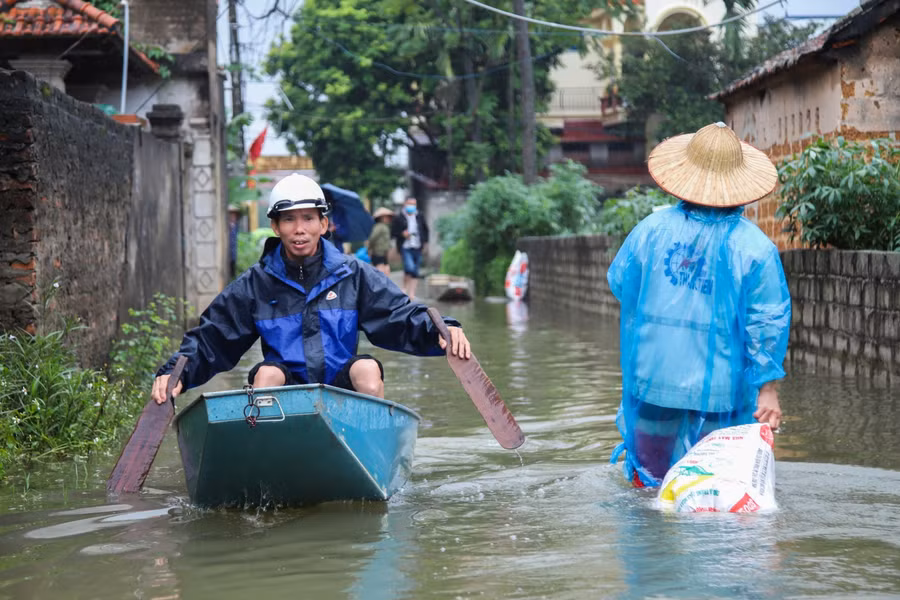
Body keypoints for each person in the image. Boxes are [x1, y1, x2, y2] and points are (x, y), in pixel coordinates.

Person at [151, 173, 471, 405]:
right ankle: (271, 457)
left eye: (308, 218)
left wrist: (441, 329)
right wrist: (176, 372)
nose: (299, 229)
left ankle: (369, 449)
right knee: (265, 377)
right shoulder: (255, 285)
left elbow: (399, 315)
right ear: (276, 227)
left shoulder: (353, 274)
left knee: (368, 370)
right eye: (289, 220)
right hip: (285, 394)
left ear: (323, 223)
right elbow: (212, 338)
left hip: (343, 389)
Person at [607, 122, 791, 488]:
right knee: (712, 489)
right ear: (739, 184)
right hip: (719, 390)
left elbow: (620, 283)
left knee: (649, 486)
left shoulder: (651, 230)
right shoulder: (754, 248)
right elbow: (767, 323)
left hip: (653, 379)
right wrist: (767, 388)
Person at [391, 197, 428, 299]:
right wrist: (402, 234)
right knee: (409, 267)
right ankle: (404, 288)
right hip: (405, 246)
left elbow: (425, 230)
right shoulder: (399, 217)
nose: (411, 206)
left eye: (414, 204)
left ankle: (411, 294)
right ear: (405, 204)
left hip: (417, 246)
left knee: (415, 271)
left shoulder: (419, 216)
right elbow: (393, 232)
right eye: (410, 204)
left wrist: (425, 243)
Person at [367, 206, 393, 275]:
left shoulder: (385, 227)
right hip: (377, 252)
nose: (387, 218)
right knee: (380, 271)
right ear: (381, 217)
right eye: (386, 217)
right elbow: (372, 238)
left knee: (386, 270)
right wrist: (369, 248)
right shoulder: (378, 226)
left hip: (384, 252)